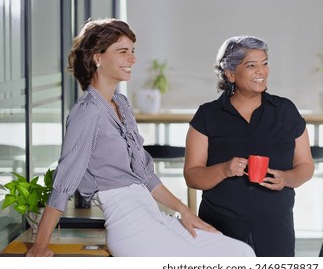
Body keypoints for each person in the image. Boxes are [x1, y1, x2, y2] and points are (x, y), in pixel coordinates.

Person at [25, 19, 255, 257]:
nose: (132, 59)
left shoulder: (122, 105)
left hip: (153, 214)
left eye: (133, 51)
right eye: (123, 52)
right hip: (130, 225)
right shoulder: (88, 111)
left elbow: (146, 176)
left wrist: (185, 212)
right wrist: (41, 245)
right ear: (97, 57)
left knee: (240, 253)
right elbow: (64, 182)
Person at [183, 36, 314, 257]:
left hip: (275, 228)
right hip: (220, 229)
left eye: (264, 63)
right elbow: (192, 176)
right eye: (251, 65)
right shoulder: (207, 115)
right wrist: (224, 169)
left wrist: (285, 179)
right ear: (230, 73)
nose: (261, 71)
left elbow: (305, 166)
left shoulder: (286, 111)